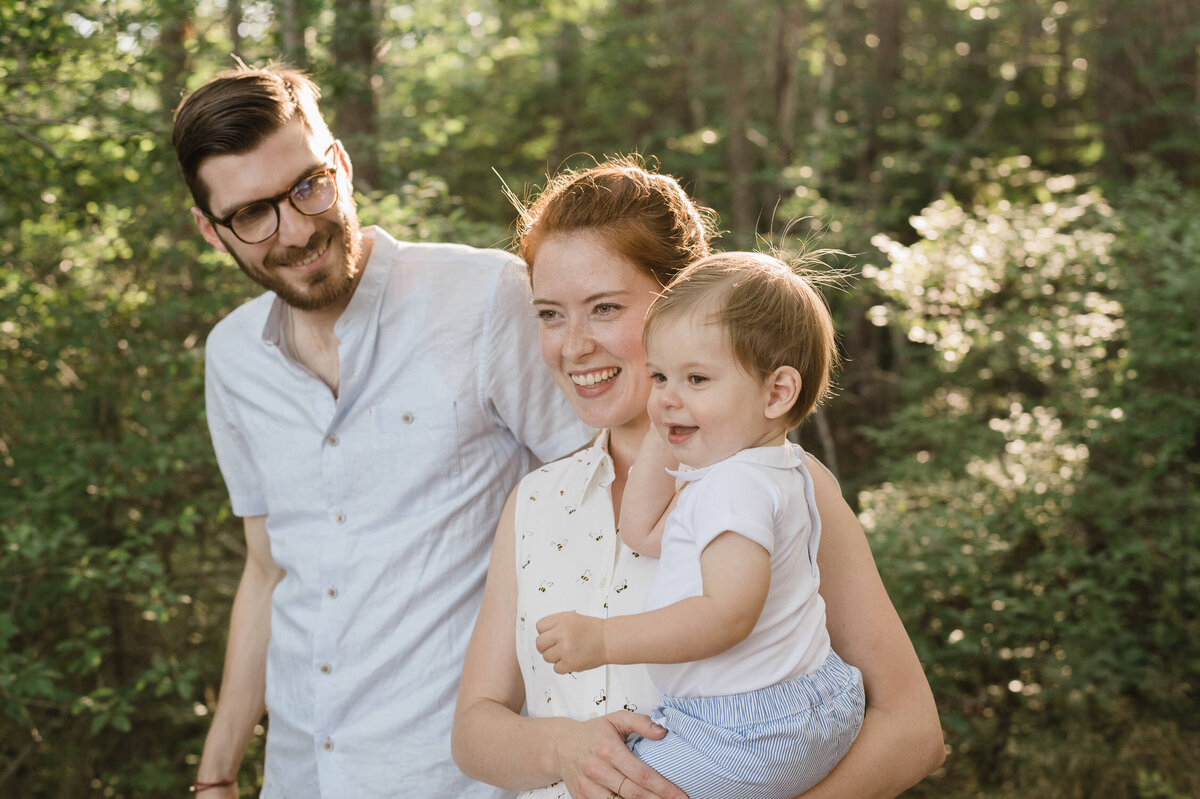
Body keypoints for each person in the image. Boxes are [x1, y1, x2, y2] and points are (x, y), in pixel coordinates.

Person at [451, 157, 945, 799]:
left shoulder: (782, 482)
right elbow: (474, 731)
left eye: (604, 308)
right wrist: (566, 747)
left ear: (681, 297)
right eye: (550, 314)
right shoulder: (538, 501)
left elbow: (912, 729)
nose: (572, 347)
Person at [172, 64, 591, 797]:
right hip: (302, 776)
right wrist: (216, 772)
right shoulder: (232, 358)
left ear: (340, 162)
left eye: (307, 185)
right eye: (252, 215)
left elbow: (610, 500)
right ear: (212, 230)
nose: (297, 230)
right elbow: (268, 570)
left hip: (470, 778)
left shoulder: (488, 299)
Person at [534, 251, 866, 798]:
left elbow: (727, 614)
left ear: (778, 392)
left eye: (696, 378)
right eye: (660, 376)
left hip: (748, 728)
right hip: (807, 702)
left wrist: (603, 638)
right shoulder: (770, 472)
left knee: (615, 784)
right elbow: (640, 532)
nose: (666, 397)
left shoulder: (735, 488)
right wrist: (674, 419)